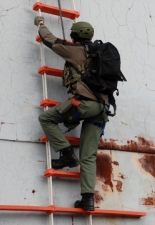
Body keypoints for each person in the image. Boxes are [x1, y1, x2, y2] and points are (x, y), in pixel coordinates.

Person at [34, 16, 108, 211]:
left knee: (46, 118)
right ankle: (88, 200)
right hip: (102, 109)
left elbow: (51, 41)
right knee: (88, 156)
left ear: (75, 36)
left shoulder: (76, 51)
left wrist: (41, 24)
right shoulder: (99, 55)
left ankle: (66, 154)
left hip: (84, 104)